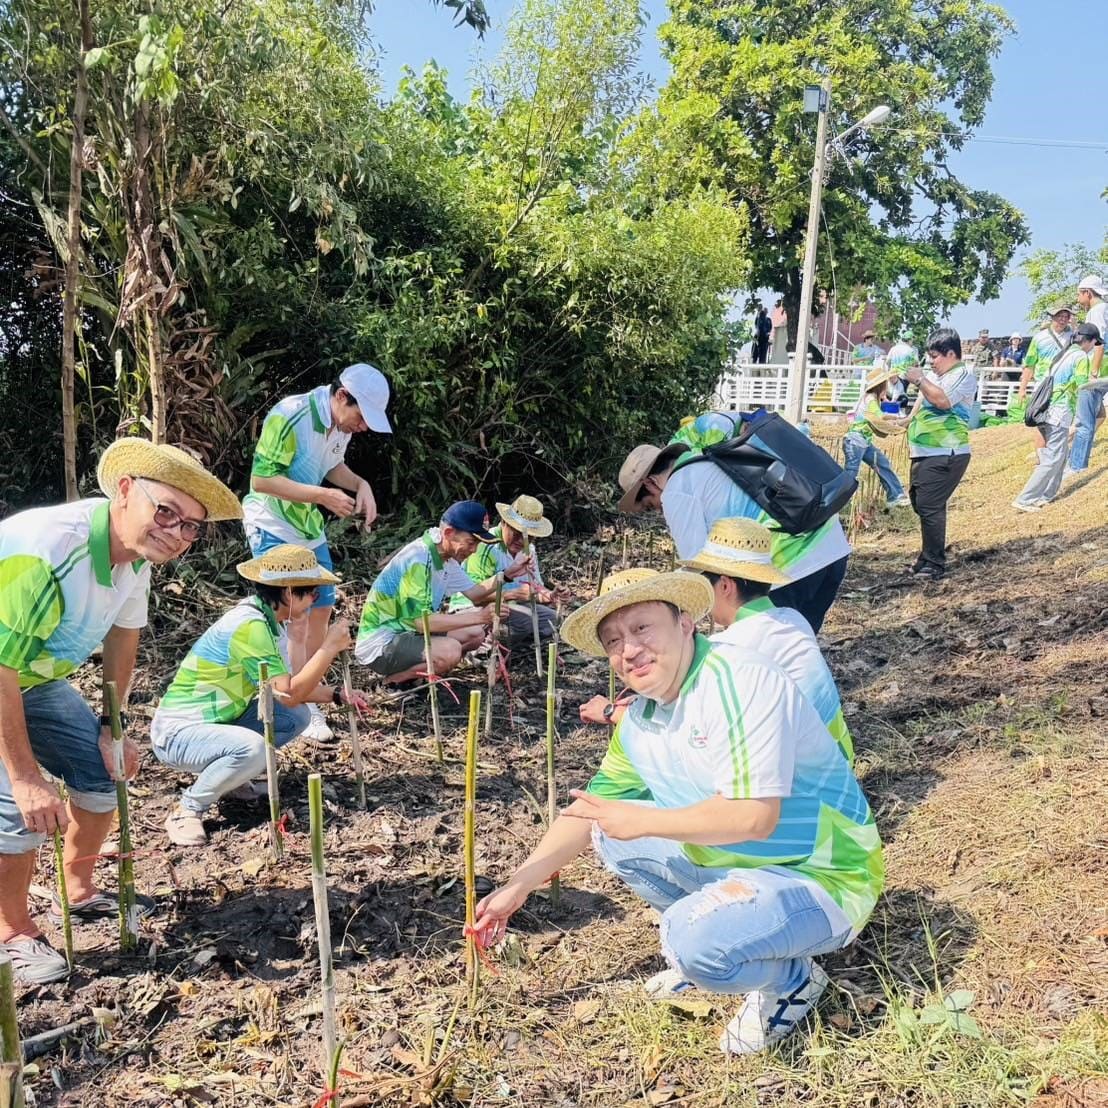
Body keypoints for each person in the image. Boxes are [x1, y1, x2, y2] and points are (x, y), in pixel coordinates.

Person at [474, 569, 884, 1055]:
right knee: (611, 834)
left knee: (689, 936)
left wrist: (642, 819)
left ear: (685, 623)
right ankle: (728, 932)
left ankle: (790, 980)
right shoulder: (643, 715)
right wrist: (518, 885)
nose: (629, 650)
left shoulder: (738, 681)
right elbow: (590, 811)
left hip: (824, 876)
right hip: (742, 863)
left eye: (642, 628)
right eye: (614, 640)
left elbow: (754, 817)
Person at [0, 439, 241, 983]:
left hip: (35, 676)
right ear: (126, 490)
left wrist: (113, 727)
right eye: (166, 512)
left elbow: (122, 638)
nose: (176, 533)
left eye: (191, 526)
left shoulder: (135, 556)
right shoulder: (45, 552)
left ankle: (80, 890)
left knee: (101, 770)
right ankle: (11, 931)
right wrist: (24, 777)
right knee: (16, 807)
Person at [153, 545, 371, 846]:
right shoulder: (250, 626)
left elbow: (287, 689)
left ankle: (231, 780)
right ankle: (188, 808)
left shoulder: (268, 621)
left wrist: (336, 695)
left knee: (295, 717)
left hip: (220, 721)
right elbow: (289, 692)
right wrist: (329, 648)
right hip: (178, 734)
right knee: (254, 749)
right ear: (289, 592)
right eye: (311, 593)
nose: (314, 601)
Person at [243, 363, 392, 742]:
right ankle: (294, 700)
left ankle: (306, 689)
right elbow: (262, 479)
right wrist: (322, 496)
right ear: (342, 396)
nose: (363, 427)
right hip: (272, 524)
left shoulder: (338, 424)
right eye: (361, 417)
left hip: (308, 528)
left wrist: (361, 484)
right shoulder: (290, 415)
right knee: (295, 615)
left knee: (323, 604)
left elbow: (331, 466)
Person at [616, 436, 851, 633]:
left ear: (650, 483)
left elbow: (696, 565)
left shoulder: (677, 488)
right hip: (832, 546)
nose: (658, 509)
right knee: (798, 650)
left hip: (791, 567)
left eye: (650, 504)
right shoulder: (709, 462)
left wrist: (667, 614)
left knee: (768, 656)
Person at [354, 500, 532, 683]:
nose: (474, 550)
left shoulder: (445, 558)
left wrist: (508, 574)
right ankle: (394, 681)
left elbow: (474, 592)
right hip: (382, 644)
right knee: (451, 650)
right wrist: (480, 617)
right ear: (448, 533)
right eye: (471, 542)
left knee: (475, 634)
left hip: (408, 632)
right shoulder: (419, 560)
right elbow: (422, 623)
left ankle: (428, 669)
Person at [901, 328, 977, 581]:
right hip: (926, 451)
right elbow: (923, 403)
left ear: (951, 353)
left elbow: (942, 401)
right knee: (920, 502)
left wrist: (920, 380)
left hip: (947, 451)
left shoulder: (962, 374)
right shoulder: (939, 377)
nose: (931, 362)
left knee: (929, 505)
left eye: (935, 356)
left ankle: (934, 563)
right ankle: (927, 556)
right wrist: (905, 421)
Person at [1012, 324, 1100, 512]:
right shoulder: (1080, 357)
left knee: (1059, 456)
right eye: (1095, 342)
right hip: (1060, 411)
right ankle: (1025, 498)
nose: (1095, 346)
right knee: (1053, 457)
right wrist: (1098, 383)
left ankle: (1046, 495)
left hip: (1048, 409)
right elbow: (1082, 386)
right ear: (1090, 340)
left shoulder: (1064, 353)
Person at [454, 495, 557, 649]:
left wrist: (551, 595)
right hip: (471, 609)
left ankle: (505, 644)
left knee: (552, 619)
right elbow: (476, 597)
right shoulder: (485, 547)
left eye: (529, 537)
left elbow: (535, 587)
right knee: (525, 621)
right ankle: (480, 649)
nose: (522, 541)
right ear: (504, 523)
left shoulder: (529, 550)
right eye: (517, 533)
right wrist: (515, 594)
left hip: (509, 606)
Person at [842, 367, 911, 507]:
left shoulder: (872, 398)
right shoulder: (871, 399)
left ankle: (895, 495)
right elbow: (880, 416)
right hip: (856, 441)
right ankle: (841, 501)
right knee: (851, 472)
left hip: (864, 441)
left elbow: (881, 414)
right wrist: (898, 419)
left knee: (882, 463)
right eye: (885, 383)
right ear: (881, 385)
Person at [1067, 275, 1108, 474]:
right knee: (1099, 414)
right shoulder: (1102, 309)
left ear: (1088, 293)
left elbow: (1099, 344)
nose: (1077, 298)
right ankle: (1070, 450)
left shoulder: (1097, 311)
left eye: (1078, 293)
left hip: (1097, 367)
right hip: (1102, 367)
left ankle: (1075, 465)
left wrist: (1093, 372)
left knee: (1084, 419)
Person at [1019, 305, 1074, 449]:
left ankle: (1055, 451)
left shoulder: (1072, 336)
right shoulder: (1039, 338)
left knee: (1060, 420)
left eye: (1066, 317)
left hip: (1065, 385)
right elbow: (1030, 364)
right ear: (1052, 317)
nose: (1063, 320)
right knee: (1040, 420)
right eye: (1059, 316)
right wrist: (1022, 388)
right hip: (1043, 384)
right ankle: (1041, 455)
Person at [884, 333, 918, 408]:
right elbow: (915, 363)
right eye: (912, 340)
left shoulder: (894, 348)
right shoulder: (911, 350)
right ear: (909, 340)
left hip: (893, 375)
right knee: (901, 395)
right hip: (904, 376)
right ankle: (899, 412)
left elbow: (887, 362)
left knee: (891, 394)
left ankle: (890, 410)